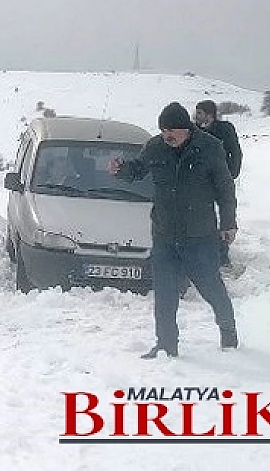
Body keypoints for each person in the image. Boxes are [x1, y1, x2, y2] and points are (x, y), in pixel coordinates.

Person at [107, 102, 239, 358]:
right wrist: (121, 169)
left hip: (199, 236)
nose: (168, 136)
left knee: (211, 287)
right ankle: (166, 345)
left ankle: (228, 332)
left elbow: (225, 189)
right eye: (164, 130)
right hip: (165, 234)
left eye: (173, 131)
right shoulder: (156, 147)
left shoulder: (210, 148)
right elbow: (137, 170)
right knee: (165, 294)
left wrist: (228, 223)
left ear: (186, 129)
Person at [195, 99, 242, 266]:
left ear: (209, 114)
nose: (197, 116)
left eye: (199, 112)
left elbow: (235, 153)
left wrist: (231, 174)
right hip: (200, 182)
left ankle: (222, 253)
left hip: (221, 180)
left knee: (224, 215)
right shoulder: (194, 131)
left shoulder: (225, 129)